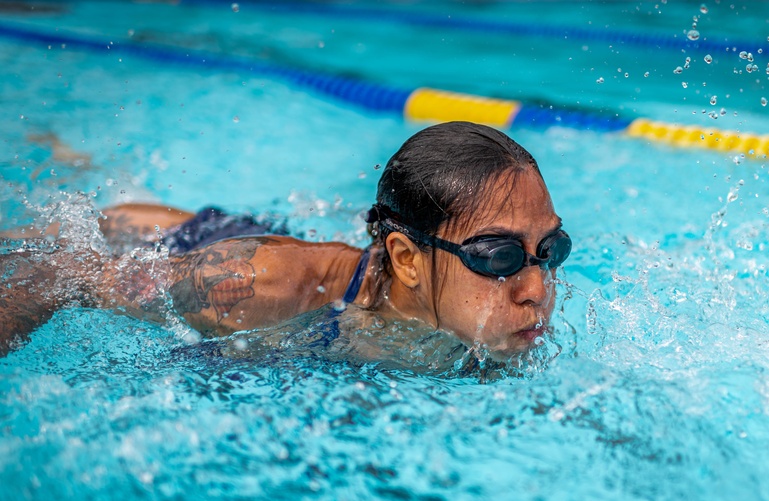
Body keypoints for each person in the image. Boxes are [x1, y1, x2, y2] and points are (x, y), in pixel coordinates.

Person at [0, 121, 572, 368]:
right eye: (497, 257)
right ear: (405, 260)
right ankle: (62, 153)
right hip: (194, 243)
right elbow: (61, 275)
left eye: (550, 250)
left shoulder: (502, 322)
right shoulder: (255, 286)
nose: (535, 289)